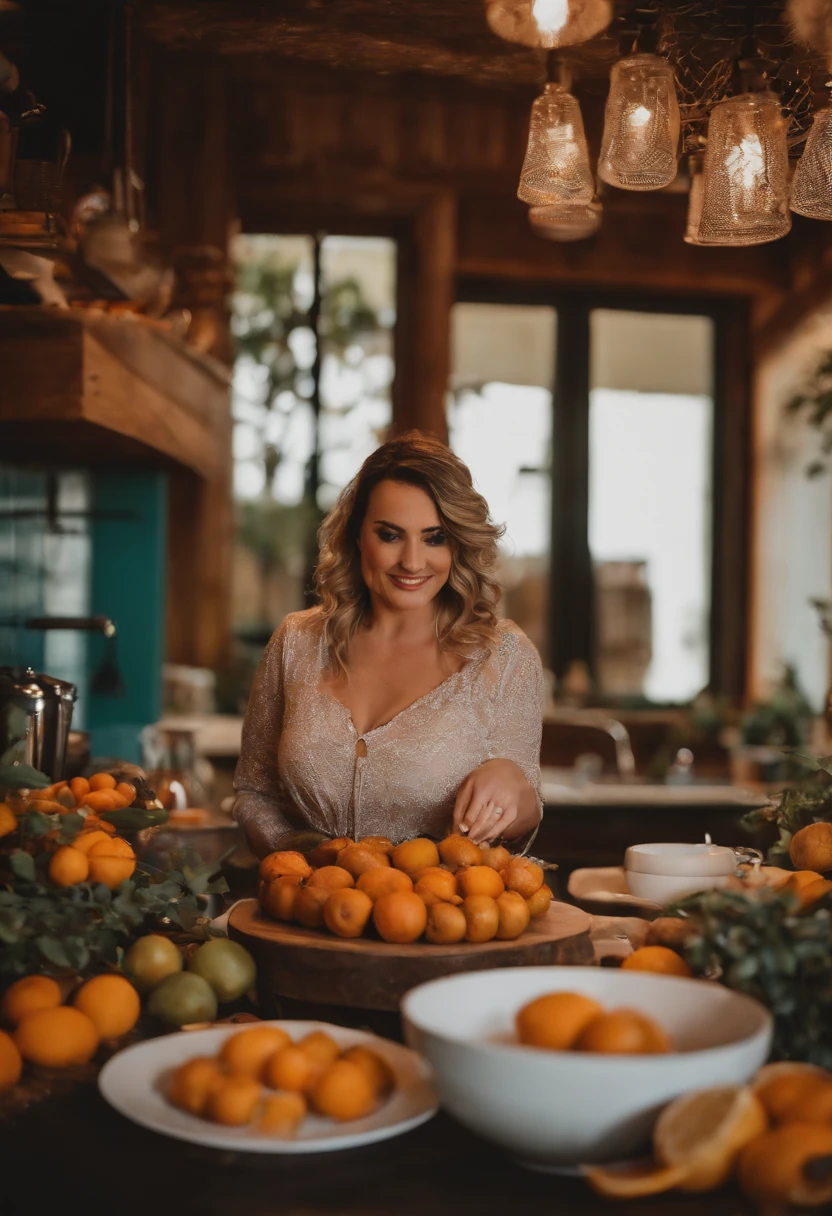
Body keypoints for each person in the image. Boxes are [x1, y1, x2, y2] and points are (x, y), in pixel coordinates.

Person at [233, 431, 543, 857]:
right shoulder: (296, 642)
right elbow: (253, 792)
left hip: (439, 916)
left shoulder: (504, 657)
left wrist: (513, 783)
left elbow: (526, 811)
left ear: (457, 543)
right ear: (358, 535)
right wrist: (307, 863)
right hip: (298, 915)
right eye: (391, 535)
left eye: (434, 538)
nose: (413, 562)